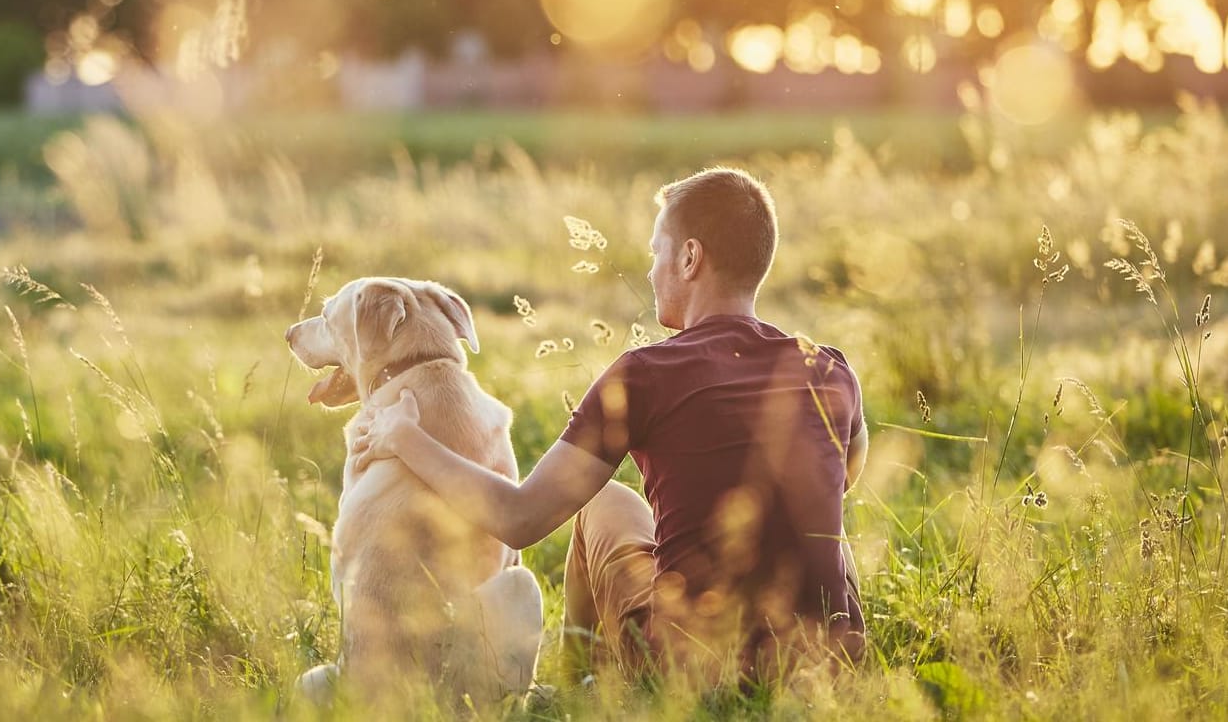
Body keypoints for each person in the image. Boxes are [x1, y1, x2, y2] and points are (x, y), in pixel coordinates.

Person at [350, 166, 867, 687]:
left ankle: (581, 691)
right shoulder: (831, 369)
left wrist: (405, 437)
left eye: (655, 251)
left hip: (693, 665)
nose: (649, 271)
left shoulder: (644, 374)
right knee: (824, 525)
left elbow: (519, 518)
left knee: (598, 503)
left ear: (690, 258)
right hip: (828, 665)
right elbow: (843, 478)